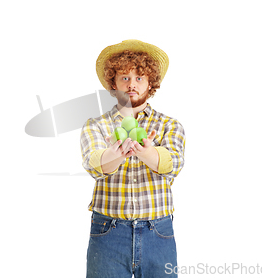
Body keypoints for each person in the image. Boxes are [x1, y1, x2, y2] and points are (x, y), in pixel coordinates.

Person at [80, 39, 186, 278]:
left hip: (157, 231)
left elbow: (173, 165)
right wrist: (114, 154)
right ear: (113, 83)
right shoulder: (96, 125)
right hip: (108, 231)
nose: (132, 84)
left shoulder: (169, 125)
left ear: (151, 83)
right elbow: (95, 165)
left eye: (139, 78)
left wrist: (146, 151)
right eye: (124, 77)